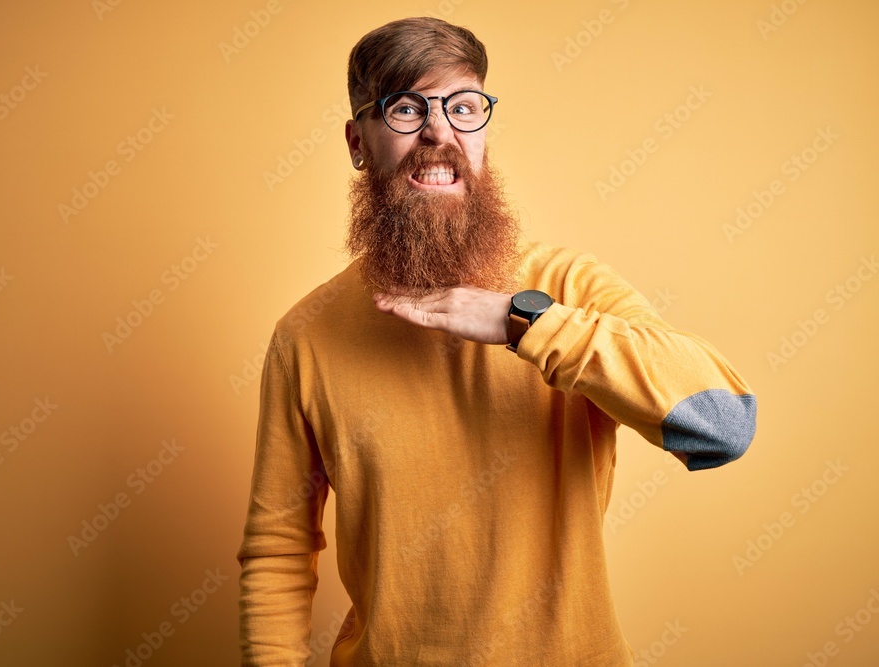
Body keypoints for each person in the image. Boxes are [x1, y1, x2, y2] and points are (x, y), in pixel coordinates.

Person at [237, 16, 757, 666]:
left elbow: (724, 425)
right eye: (405, 107)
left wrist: (522, 322)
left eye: (463, 106)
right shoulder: (306, 336)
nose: (438, 131)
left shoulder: (566, 288)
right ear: (357, 142)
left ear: (483, 131)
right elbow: (278, 549)